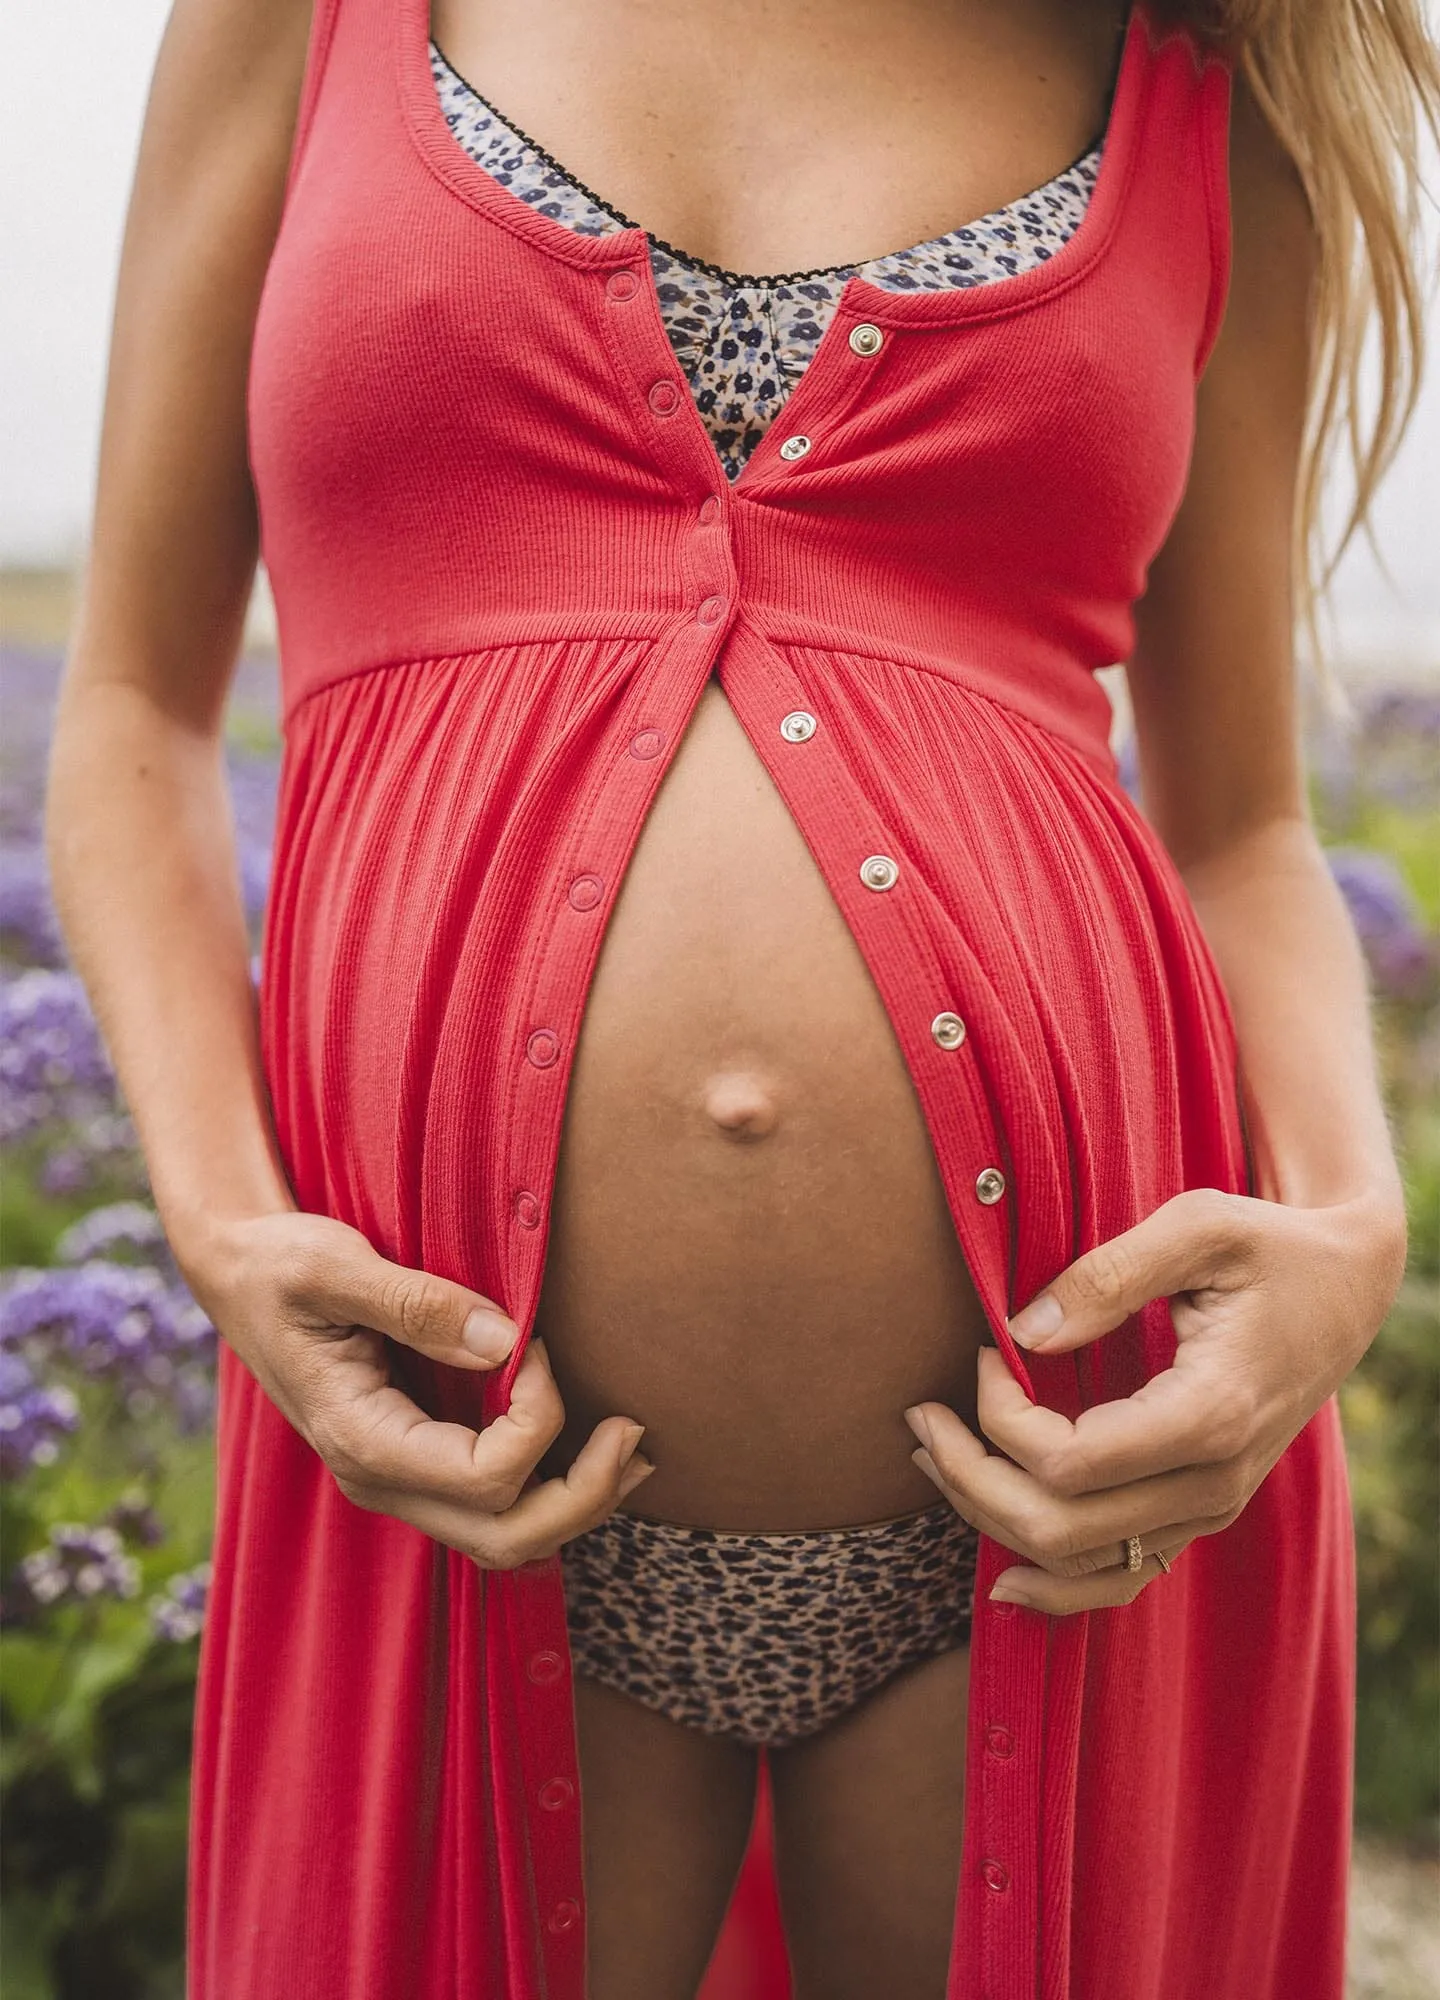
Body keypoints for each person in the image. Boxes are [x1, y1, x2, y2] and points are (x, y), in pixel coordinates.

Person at [44, 1, 1436, 1996]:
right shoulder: (313, 17)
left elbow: (1241, 830)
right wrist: (219, 1221)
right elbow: (125, 713)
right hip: (446, 1457)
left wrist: (1351, 1237)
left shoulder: (1198, 87)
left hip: (1064, 1477)